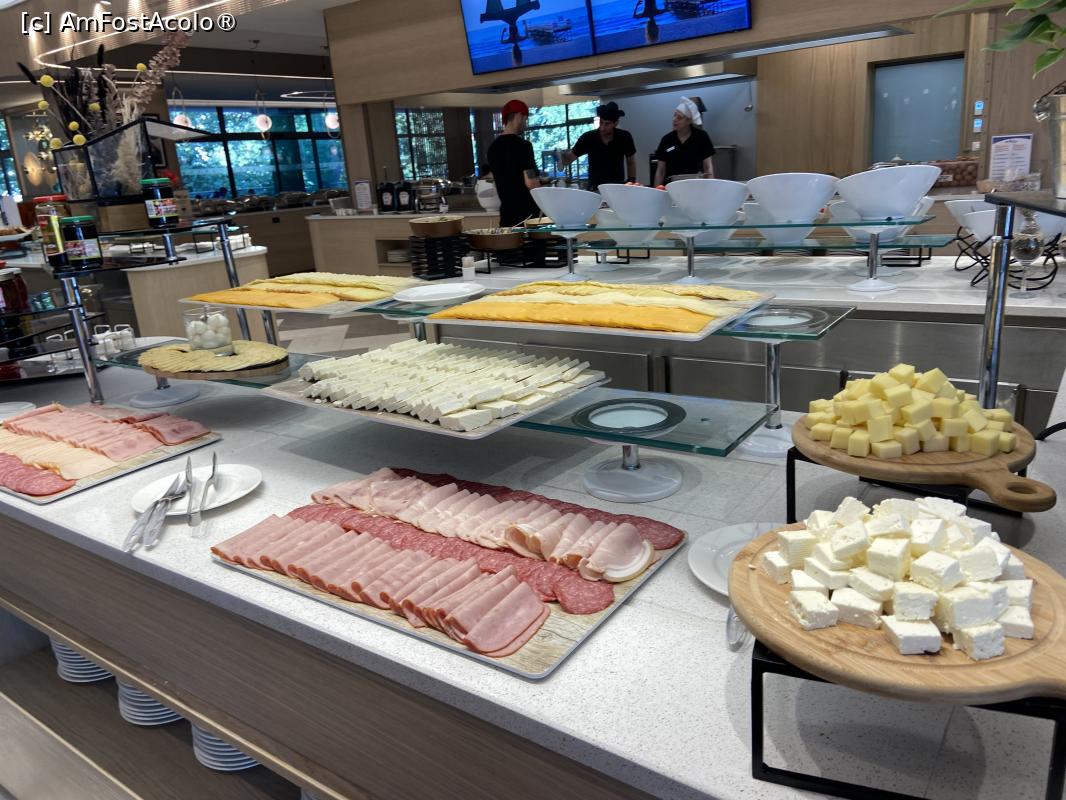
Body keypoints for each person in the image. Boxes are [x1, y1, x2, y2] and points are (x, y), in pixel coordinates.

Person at [556, 101, 637, 190]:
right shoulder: (588, 138)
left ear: (616, 123)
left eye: (607, 124)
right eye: (601, 122)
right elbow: (568, 159)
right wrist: (561, 156)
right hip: (595, 187)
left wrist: (631, 181)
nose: (602, 127)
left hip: (617, 187)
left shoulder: (624, 137)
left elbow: (631, 162)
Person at [487, 99, 540, 227]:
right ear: (519, 116)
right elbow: (531, 182)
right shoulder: (524, 146)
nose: (525, 124)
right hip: (527, 217)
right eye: (525, 119)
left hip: (507, 217)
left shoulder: (493, 148)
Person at [653, 97, 715, 186]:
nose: (674, 119)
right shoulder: (667, 140)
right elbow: (660, 171)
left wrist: (711, 187)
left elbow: (708, 167)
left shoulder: (701, 137)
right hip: (672, 187)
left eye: (680, 117)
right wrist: (657, 190)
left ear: (689, 121)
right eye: (674, 115)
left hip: (696, 186)